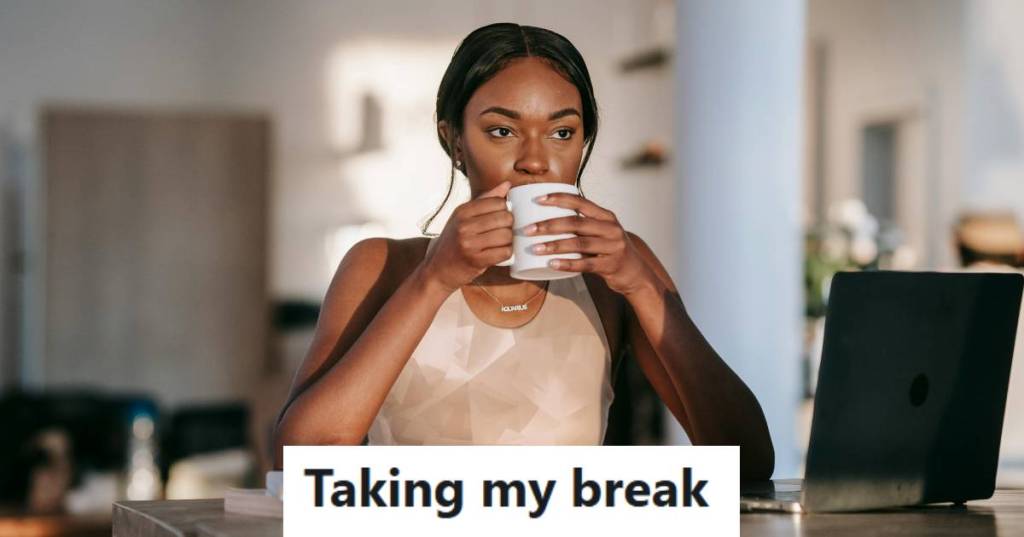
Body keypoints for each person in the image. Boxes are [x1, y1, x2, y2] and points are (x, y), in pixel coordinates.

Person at [272, 22, 774, 480]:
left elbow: (747, 461)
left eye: (562, 132)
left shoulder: (615, 272)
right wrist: (435, 280)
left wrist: (641, 285)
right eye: (502, 131)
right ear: (455, 143)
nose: (535, 160)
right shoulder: (382, 266)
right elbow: (299, 464)